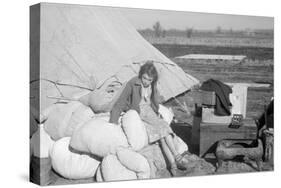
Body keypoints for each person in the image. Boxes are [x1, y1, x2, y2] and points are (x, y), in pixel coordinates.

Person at [109, 61, 188, 176]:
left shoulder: (152, 84)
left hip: (151, 113)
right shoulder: (133, 83)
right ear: (140, 75)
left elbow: (154, 100)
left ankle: (173, 165)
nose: (146, 82)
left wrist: (157, 112)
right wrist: (113, 122)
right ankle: (177, 156)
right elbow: (120, 102)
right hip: (140, 113)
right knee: (163, 130)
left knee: (162, 136)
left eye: (149, 80)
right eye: (144, 78)